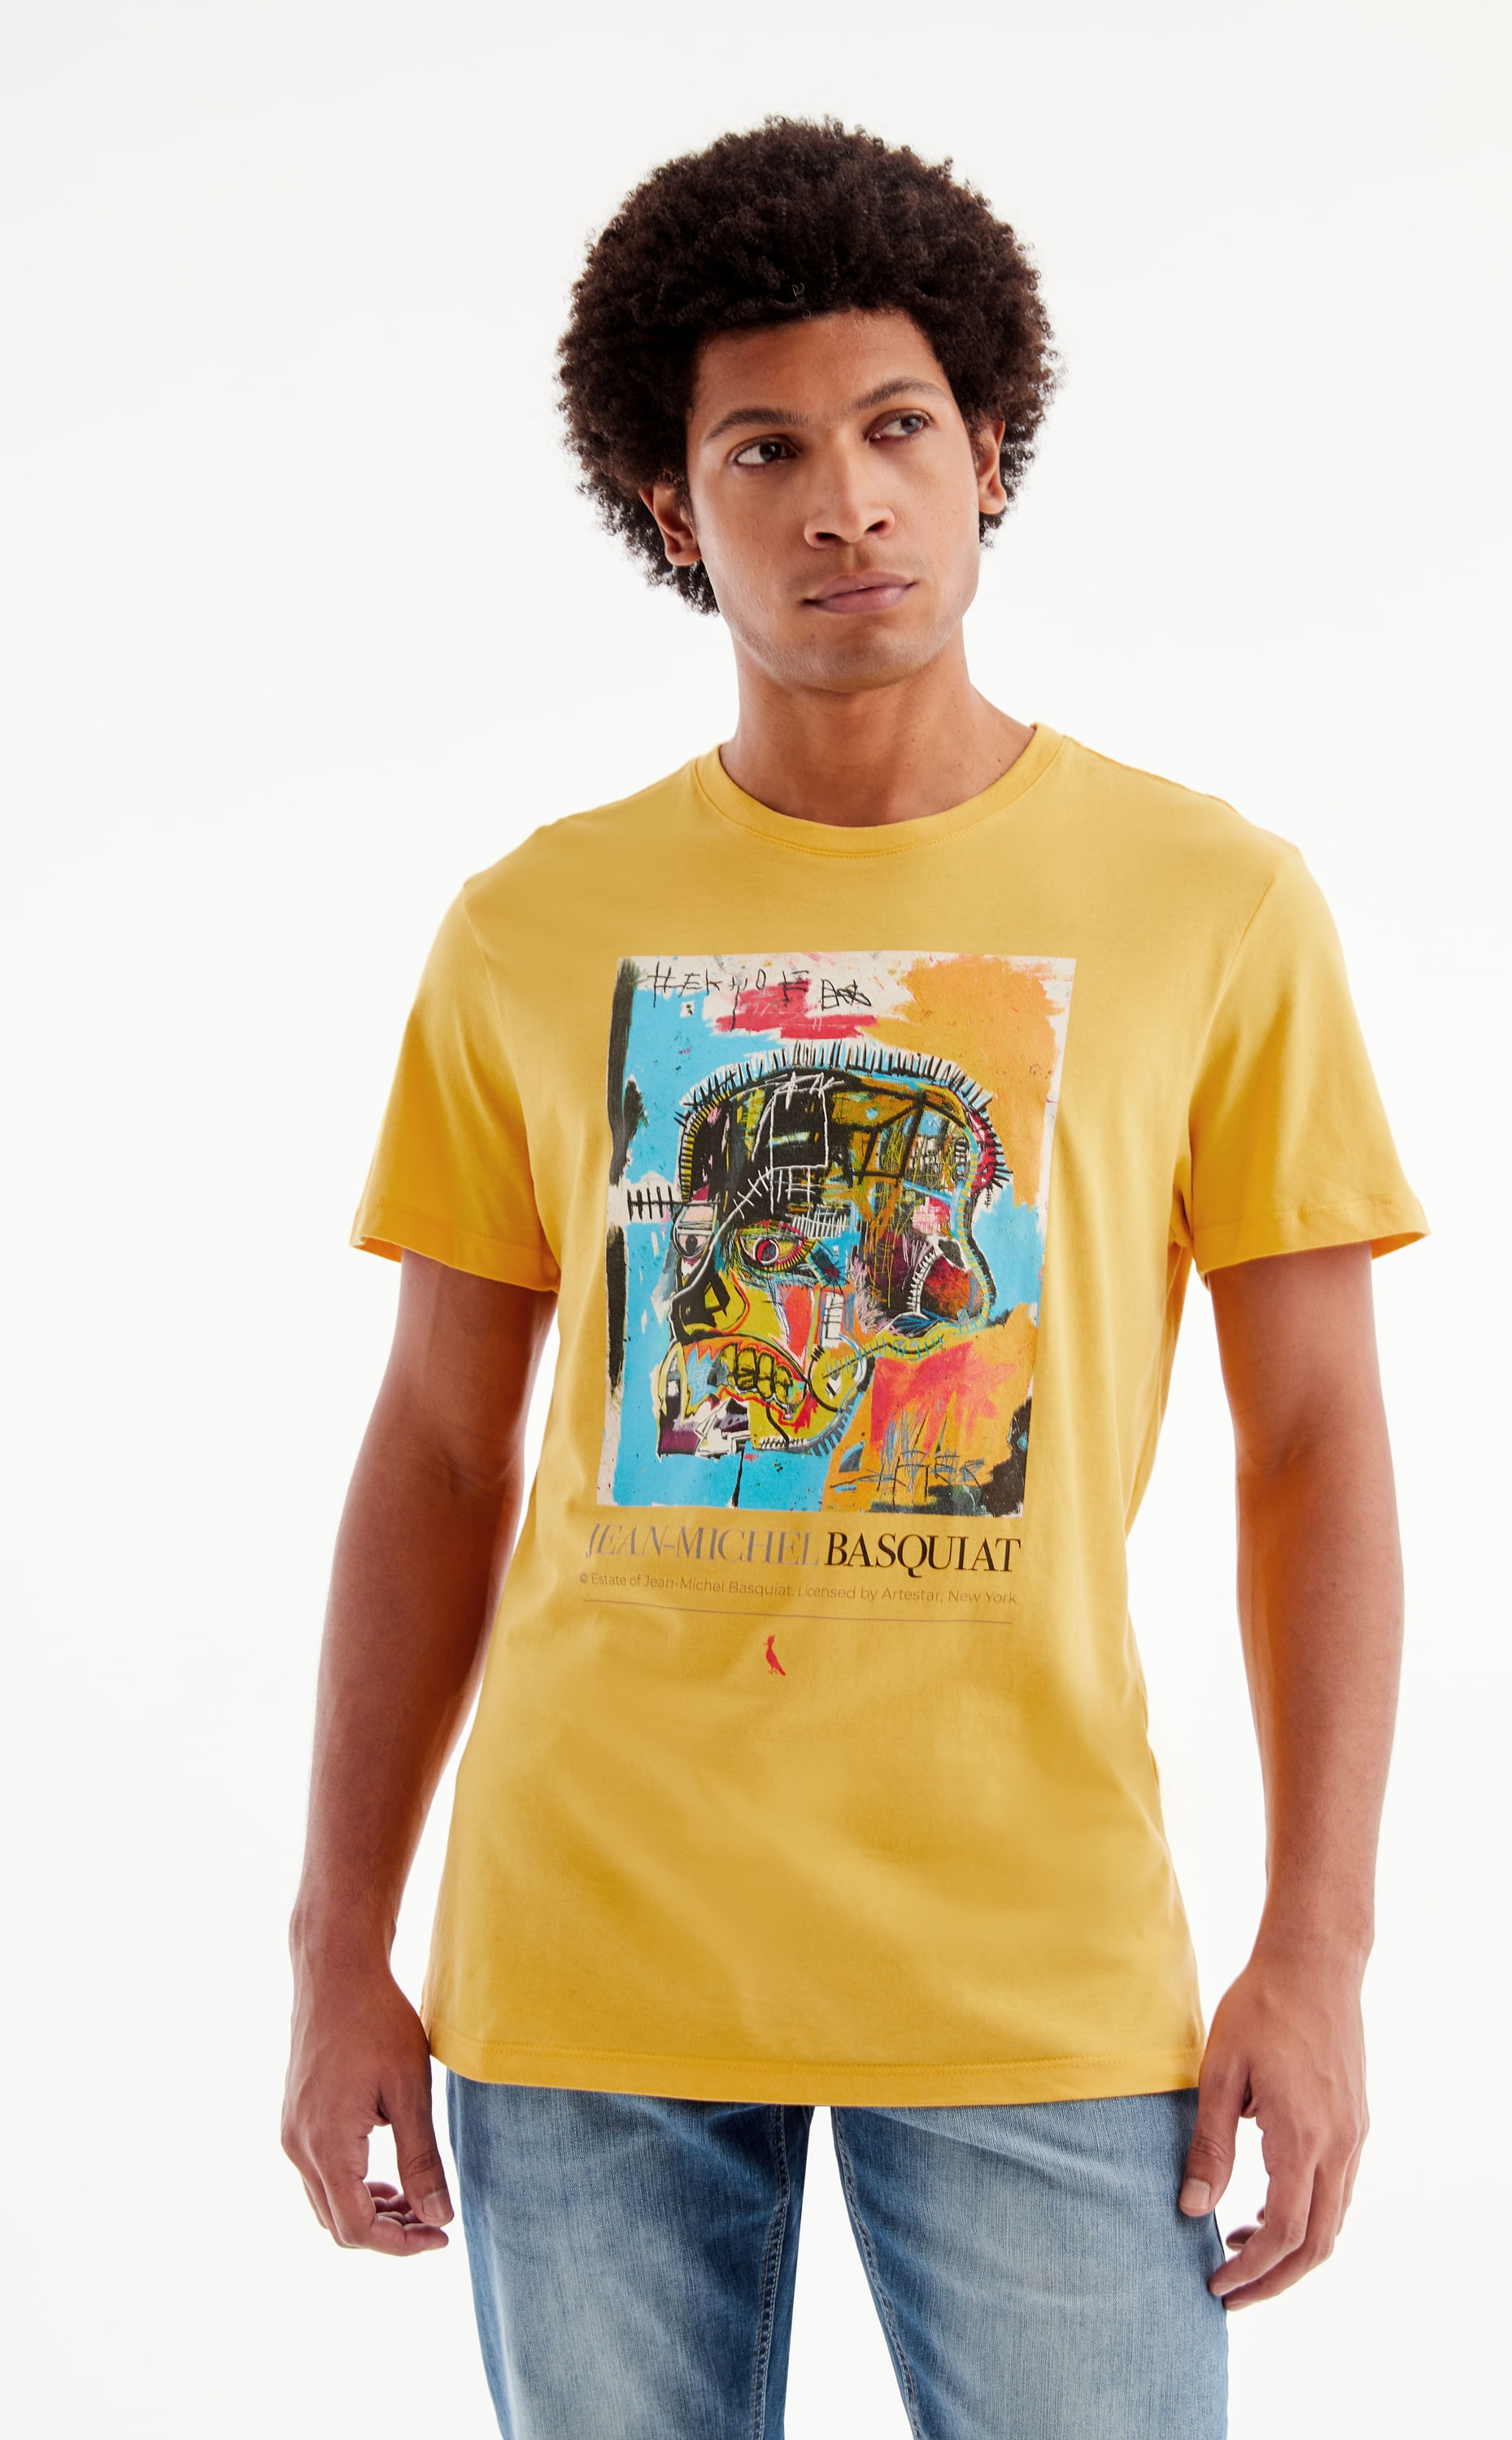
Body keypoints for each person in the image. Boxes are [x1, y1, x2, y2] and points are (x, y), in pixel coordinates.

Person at [281, 120, 1426, 2440]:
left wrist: (1316, 1948)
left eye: (898, 429)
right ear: (667, 508)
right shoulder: (531, 928)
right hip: (589, 1954)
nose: (845, 504)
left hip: (1031, 1962)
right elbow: (437, 1448)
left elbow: (1312, 1446)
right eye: (765, 451)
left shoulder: (1211, 903)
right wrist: (336, 1944)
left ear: (989, 455)